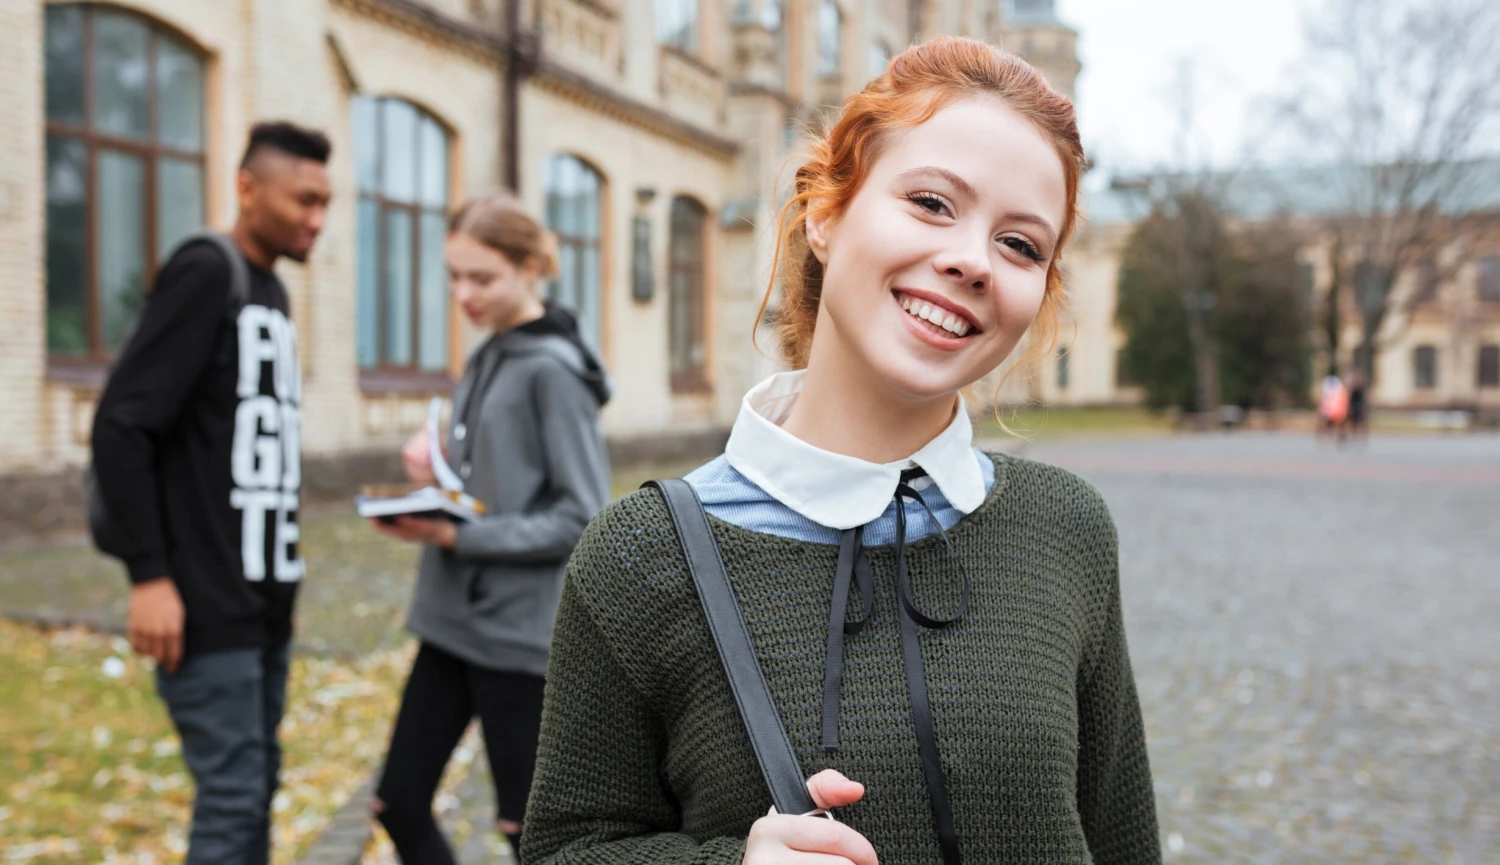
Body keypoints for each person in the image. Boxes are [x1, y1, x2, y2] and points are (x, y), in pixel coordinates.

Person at [522, 37, 1160, 865]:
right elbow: (565, 849)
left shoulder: (1065, 527)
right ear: (825, 212)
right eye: (932, 202)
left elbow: (1123, 843)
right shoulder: (642, 559)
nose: (971, 259)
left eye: (1020, 244)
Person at [90, 121, 331, 864]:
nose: (316, 219)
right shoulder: (206, 270)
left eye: (325, 202)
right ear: (246, 187)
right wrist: (150, 575)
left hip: (264, 601)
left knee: (254, 791)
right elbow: (122, 425)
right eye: (302, 199)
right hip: (201, 602)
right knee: (231, 804)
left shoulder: (272, 291)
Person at [368, 191, 612, 862]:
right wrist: (440, 475)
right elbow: (496, 481)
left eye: (481, 277)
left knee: (525, 834)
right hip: (449, 622)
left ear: (531, 266)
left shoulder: (553, 374)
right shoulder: (487, 354)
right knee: (397, 801)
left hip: (519, 640)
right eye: (453, 275)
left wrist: (459, 535)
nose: (462, 293)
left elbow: (581, 516)